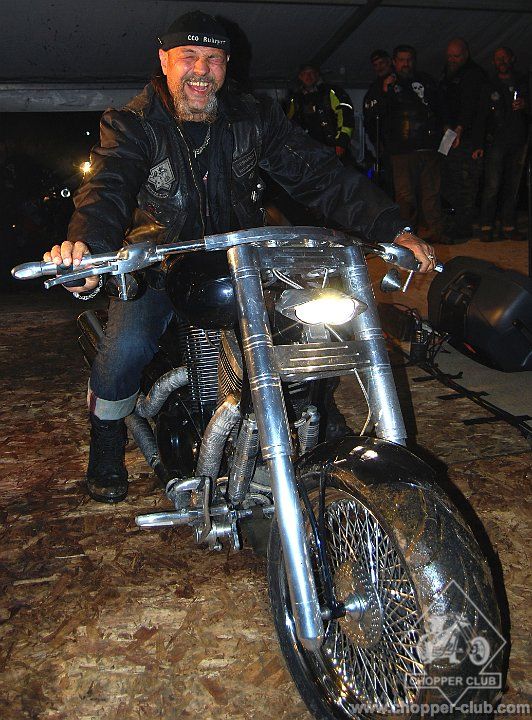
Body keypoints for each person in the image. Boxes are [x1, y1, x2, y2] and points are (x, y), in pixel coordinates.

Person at [44, 11, 437, 504]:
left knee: (305, 329)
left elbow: (319, 174)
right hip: (160, 266)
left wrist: (391, 228)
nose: (201, 70)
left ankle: (317, 419)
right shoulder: (132, 124)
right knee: (125, 349)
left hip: (242, 264)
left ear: (227, 65)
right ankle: (105, 439)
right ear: (164, 60)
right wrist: (87, 247)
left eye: (213, 59)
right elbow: (107, 187)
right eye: (188, 56)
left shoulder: (255, 116)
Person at [379, 45, 445, 243]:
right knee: (405, 195)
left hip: (428, 145)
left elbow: (441, 108)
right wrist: (385, 90)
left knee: (431, 191)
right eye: (401, 60)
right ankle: (407, 235)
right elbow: (378, 115)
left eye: (408, 59)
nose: (405, 64)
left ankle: (435, 231)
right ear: (394, 62)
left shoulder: (426, 81)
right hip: (402, 149)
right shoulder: (387, 84)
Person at [476, 47, 529, 241]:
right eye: (498, 58)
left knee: (512, 185)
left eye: (505, 57)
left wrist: (526, 105)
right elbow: (481, 115)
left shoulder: (523, 82)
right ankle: (486, 225)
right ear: (493, 62)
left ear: (512, 59)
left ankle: (508, 225)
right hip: (495, 142)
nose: (502, 61)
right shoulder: (489, 84)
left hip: (517, 141)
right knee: (492, 185)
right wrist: (478, 144)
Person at [439, 38, 486, 240]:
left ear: (466, 54)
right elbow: (444, 103)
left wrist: (461, 128)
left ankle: (463, 227)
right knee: (447, 180)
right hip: (449, 135)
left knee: (466, 184)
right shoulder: (447, 74)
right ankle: (454, 223)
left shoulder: (475, 74)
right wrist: (446, 125)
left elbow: (475, 108)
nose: (452, 59)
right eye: (449, 56)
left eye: (456, 56)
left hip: (467, 137)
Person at [287, 63, 355, 159]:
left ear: (317, 75)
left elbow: (346, 116)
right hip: (307, 152)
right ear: (300, 77)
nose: (308, 76)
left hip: (332, 148)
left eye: (311, 73)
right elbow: (290, 124)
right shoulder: (295, 99)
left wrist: (341, 142)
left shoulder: (331, 92)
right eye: (305, 73)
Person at [363, 49, 394, 193]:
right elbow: (369, 120)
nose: (379, 67)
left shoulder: (404, 81)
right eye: (376, 65)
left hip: (408, 144)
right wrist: (376, 142)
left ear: (390, 62)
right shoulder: (373, 90)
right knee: (390, 181)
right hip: (386, 145)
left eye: (382, 63)